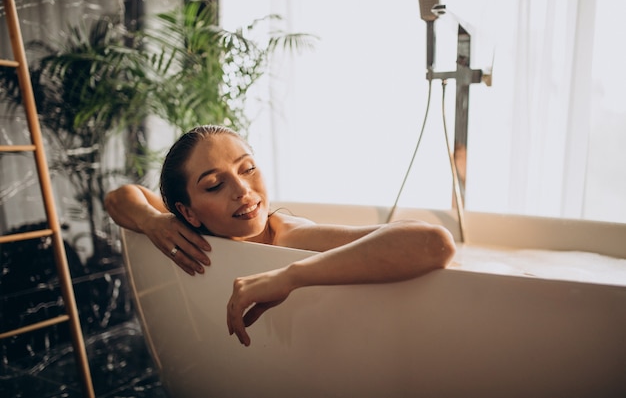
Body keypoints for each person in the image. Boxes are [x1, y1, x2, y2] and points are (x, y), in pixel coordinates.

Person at [104, 125, 456, 346]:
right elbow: (119, 198)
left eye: (249, 169)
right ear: (187, 212)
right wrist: (152, 221)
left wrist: (291, 275)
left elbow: (434, 242)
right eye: (214, 185)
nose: (243, 190)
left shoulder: (287, 235)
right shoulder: (183, 229)